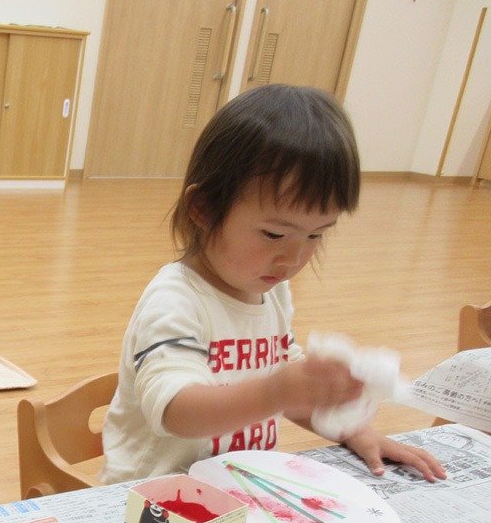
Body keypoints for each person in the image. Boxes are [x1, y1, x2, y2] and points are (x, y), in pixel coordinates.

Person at [99, 84, 447, 485]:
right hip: (153, 495)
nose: (293, 259)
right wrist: (275, 391)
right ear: (204, 208)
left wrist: (351, 427)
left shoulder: (270, 291)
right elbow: (177, 411)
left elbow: (289, 384)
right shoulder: (175, 300)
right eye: (274, 234)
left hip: (234, 486)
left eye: (315, 235)